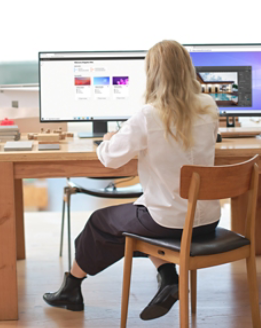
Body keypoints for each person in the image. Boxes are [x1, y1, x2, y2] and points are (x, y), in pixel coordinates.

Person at [43, 40, 221, 320]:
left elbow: (110, 159)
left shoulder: (149, 115)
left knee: (100, 223)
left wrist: (108, 140)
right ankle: (168, 278)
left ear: (152, 74)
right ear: (188, 69)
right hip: (208, 220)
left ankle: (72, 287)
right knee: (140, 210)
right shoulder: (209, 107)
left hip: (169, 222)